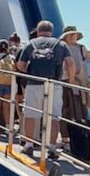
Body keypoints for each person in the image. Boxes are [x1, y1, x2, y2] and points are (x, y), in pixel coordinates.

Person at [16, 20, 75, 159]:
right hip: (54, 84)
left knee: (31, 114)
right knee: (54, 116)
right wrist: (71, 80)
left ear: (38, 31)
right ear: (52, 31)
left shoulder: (31, 44)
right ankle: (52, 148)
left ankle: (29, 145)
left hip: (34, 84)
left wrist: (29, 72)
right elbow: (70, 64)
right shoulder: (61, 44)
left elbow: (20, 64)